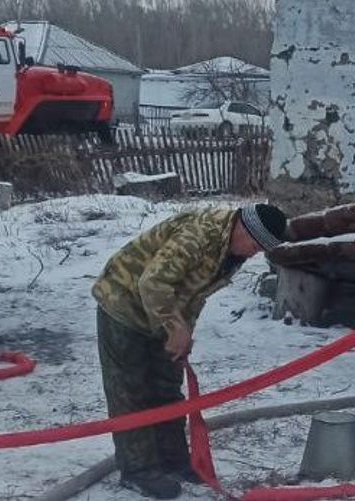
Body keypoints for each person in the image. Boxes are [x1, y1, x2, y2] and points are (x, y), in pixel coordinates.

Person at [93, 202, 289, 499]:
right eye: (255, 245)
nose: (254, 253)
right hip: (124, 303)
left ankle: (173, 460)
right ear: (243, 228)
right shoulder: (199, 235)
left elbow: (194, 294)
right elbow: (153, 283)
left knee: (167, 387)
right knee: (130, 390)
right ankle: (138, 470)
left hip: (163, 310)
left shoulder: (229, 250)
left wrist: (184, 334)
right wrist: (175, 328)